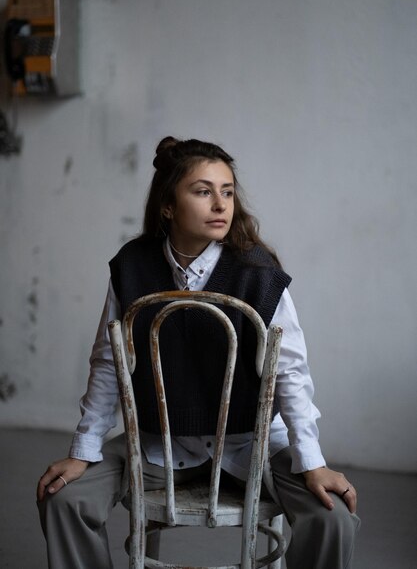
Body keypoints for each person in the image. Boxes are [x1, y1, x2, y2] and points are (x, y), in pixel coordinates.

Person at [37, 136, 360, 569]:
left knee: (333, 518)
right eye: (203, 191)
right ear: (168, 206)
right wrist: (84, 449)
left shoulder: (258, 273)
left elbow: (291, 374)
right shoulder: (132, 266)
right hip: (156, 449)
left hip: (253, 450)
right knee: (64, 499)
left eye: (227, 191)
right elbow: (109, 362)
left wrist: (312, 462)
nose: (220, 204)